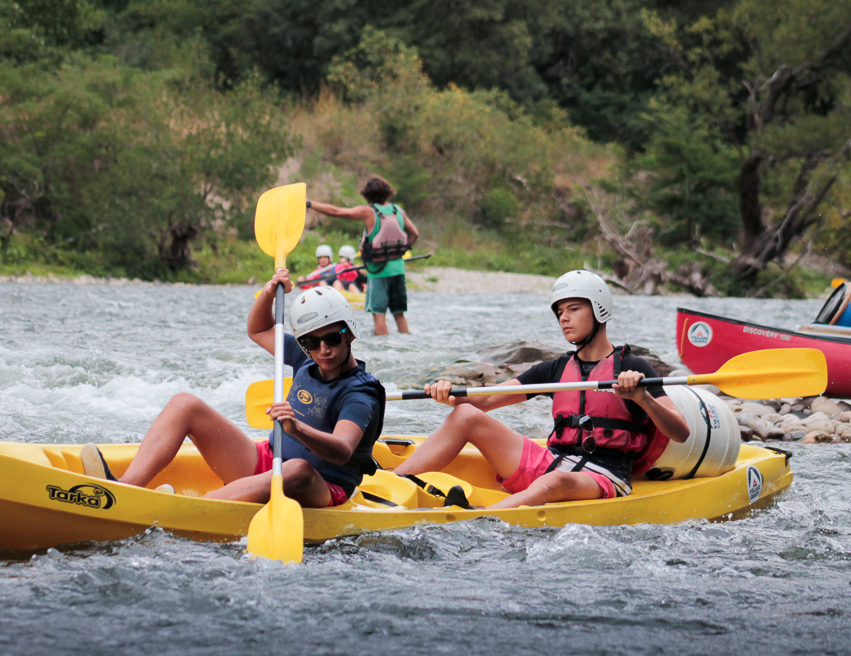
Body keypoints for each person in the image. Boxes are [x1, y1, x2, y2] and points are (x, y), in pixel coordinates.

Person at [81, 270, 385, 508]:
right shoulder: (302, 357)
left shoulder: (360, 393)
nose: (323, 350)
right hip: (268, 461)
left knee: (298, 469)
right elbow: (258, 329)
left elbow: (343, 451)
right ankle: (125, 488)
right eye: (310, 342)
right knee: (185, 404)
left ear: (350, 332)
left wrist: (296, 428)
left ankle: (191, 509)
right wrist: (268, 293)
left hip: (320, 486)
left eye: (332, 338)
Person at [394, 270, 690, 509]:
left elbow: (680, 431)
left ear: (599, 311)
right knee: (466, 414)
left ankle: (479, 521)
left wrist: (642, 397)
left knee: (553, 483)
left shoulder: (633, 366)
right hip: (551, 461)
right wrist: (448, 393)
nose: (564, 317)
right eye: (560, 311)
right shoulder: (555, 369)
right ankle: (393, 484)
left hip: (604, 476)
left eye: (574, 309)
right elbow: (483, 401)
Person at [307, 176, 420, 335]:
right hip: (398, 270)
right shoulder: (398, 211)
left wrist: (309, 203)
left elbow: (336, 212)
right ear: (388, 192)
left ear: (367, 195)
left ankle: (384, 350)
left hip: (378, 272)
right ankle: (407, 346)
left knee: (379, 315)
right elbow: (414, 234)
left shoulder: (369, 212)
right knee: (399, 314)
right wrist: (401, 251)